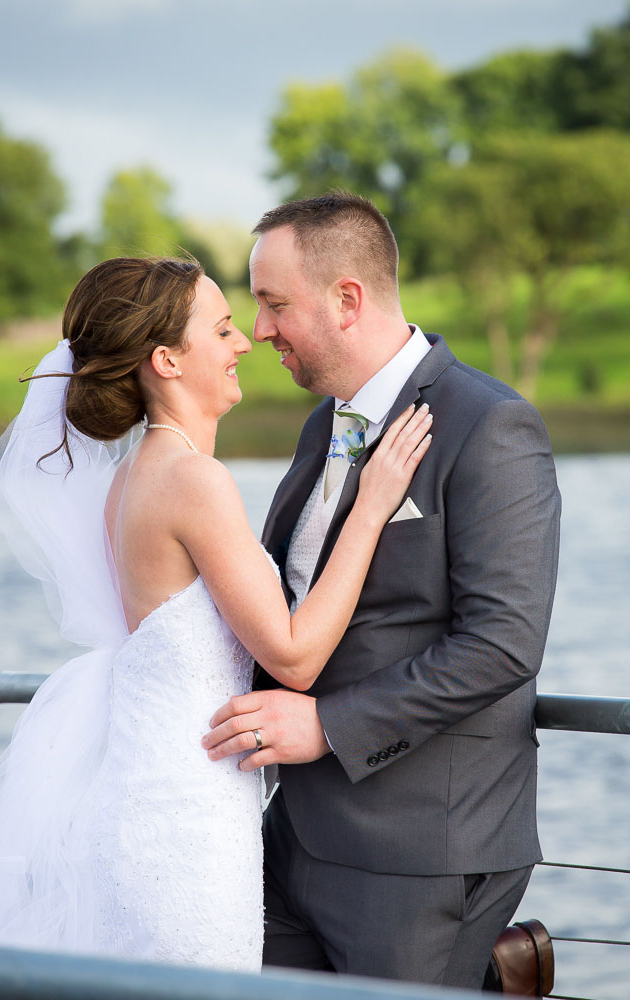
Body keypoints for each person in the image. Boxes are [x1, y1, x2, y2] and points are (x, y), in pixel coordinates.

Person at [0, 256, 432, 970]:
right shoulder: (190, 479)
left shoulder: (133, 477)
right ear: (166, 361)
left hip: (162, 799)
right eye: (219, 330)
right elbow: (294, 653)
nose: (243, 340)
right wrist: (369, 506)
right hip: (185, 822)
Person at [203, 193, 561, 989]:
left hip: (419, 855)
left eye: (272, 303)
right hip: (288, 833)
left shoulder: (488, 425)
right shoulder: (323, 424)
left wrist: (327, 725)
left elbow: (502, 644)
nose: (259, 329)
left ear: (347, 300)